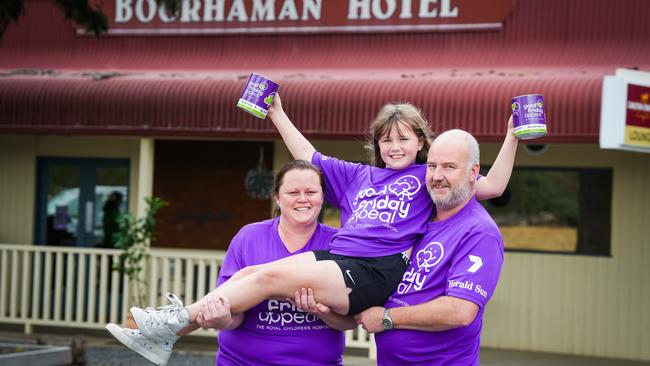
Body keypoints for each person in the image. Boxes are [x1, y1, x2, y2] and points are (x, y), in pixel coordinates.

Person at [106, 96, 517, 366]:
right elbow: (307, 155)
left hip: (373, 270)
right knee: (254, 275)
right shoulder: (359, 176)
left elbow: (491, 186)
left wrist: (513, 133)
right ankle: (168, 333)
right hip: (341, 261)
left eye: (404, 139)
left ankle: (171, 325)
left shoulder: (426, 178)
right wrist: (277, 113)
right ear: (376, 143)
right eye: (386, 139)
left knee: (267, 277)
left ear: (420, 143)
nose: (394, 147)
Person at [354, 129, 506, 365]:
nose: (437, 176)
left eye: (449, 167)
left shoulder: (479, 232)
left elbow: (459, 310)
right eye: (432, 166)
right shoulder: (417, 218)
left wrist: (386, 318)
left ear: (473, 173)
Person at [210, 160, 355, 365]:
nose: (302, 199)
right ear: (277, 197)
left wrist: (321, 311)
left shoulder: (341, 244)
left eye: (311, 192)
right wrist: (222, 319)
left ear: (322, 197)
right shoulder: (248, 237)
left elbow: (350, 322)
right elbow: (232, 314)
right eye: (293, 193)